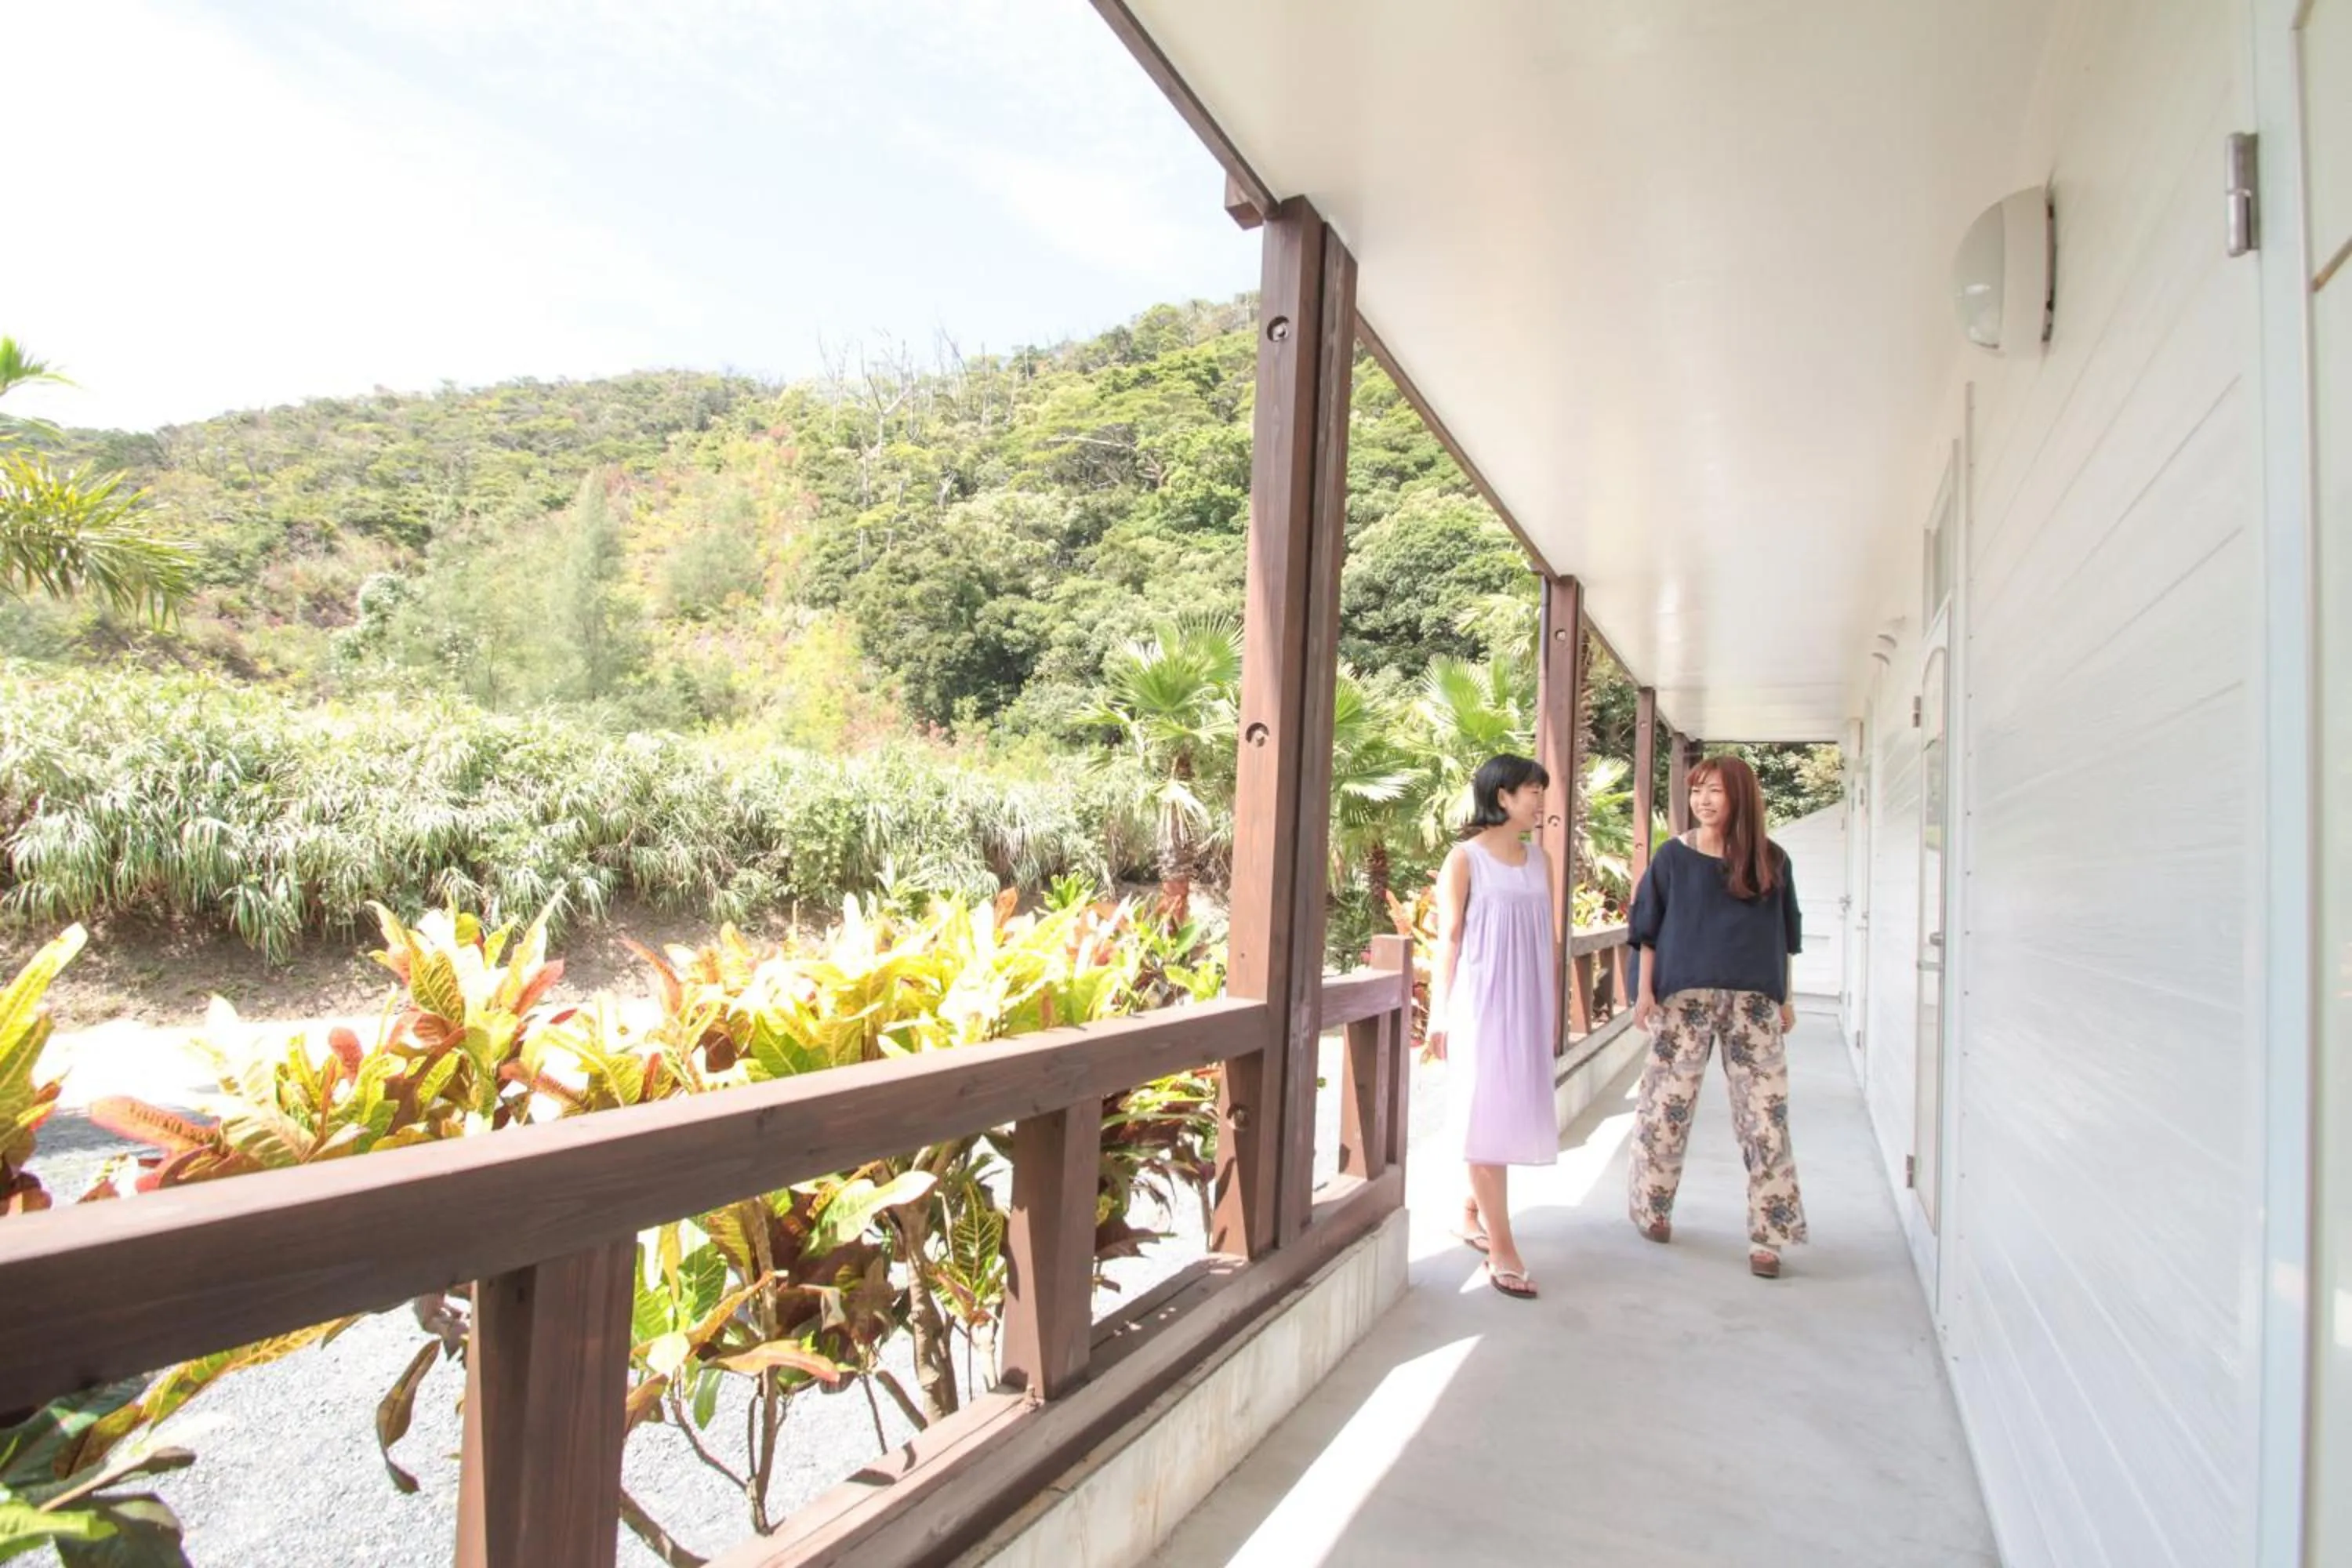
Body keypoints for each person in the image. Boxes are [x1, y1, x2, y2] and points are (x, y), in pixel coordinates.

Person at [1624, 753, 1808, 1279]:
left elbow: (1785, 936)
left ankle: (1769, 1237)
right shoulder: (1672, 857)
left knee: (1766, 1119)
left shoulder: (1772, 860)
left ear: (1740, 797)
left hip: (1754, 1005)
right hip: (1683, 1000)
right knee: (1665, 1109)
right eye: (1697, 790)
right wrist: (1642, 993)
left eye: (1715, 791)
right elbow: (1647, 930)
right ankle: (1653, 1209)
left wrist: (1786, 998)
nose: (1702, 801)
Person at [1427, 753, 1560, 1301]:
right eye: (1532, 791)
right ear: (1502, 796)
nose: (1540, 800)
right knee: (1485, 1115)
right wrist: (1438, 1012)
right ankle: (1503, 1249)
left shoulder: (1540, 861)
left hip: (1527, 1002)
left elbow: (1547, 938)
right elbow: (1449, 940)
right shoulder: (1464, 860)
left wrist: (1550, 1005)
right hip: (1480, 1002)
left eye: (1541, 791)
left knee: (1509, 1110)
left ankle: (1469, 1211)